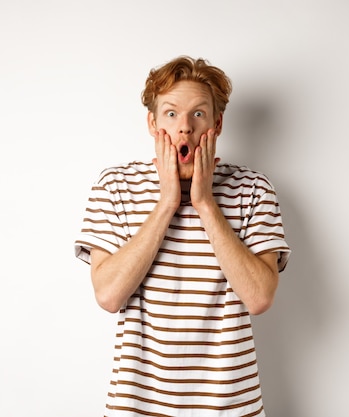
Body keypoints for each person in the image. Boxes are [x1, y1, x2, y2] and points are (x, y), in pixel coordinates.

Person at [75, 56, 291, 417]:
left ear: (217, 123)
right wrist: (167, 203)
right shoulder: (114, 186)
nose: (185, 128)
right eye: (171, 114)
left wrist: (204, 203)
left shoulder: (254, 189)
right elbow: (109, 295)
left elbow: (259, 297)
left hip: (231, 408)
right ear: (152, 123)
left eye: (199, 114)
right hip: (137, 407)